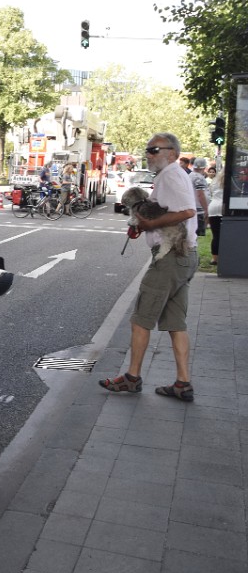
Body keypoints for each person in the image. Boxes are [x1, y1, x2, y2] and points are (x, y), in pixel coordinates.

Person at [99, 132, 198, 402]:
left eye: (154, 150)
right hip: (185, 255)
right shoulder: (172, 175)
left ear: (173, 153)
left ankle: (131, 378)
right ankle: (182, 383)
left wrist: (151, 225)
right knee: (176, 323)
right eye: (148, 150)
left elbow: (188, 211)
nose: (149, 154)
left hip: (170, 258)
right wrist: (143, 225)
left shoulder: (171, 174)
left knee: (141, 318)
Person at [206, 164, 222, 265]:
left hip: (213, 207)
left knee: (216, 235)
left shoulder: (215, 181)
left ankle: (214, 258)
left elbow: (211, 193)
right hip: (224, 208)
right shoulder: (231, 179)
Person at [190, 157, 209, 236]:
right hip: (199, 211)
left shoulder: (190, 175)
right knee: (197, 235)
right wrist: (206, 209)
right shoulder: (199, 178)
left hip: (193, 208)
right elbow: (200, 194)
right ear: (204, 167)